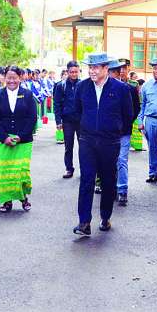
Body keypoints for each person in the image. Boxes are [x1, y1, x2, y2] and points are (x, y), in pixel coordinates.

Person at [73, 53, 133, 236]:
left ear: (106, 69)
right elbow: (77, 112)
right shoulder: (82, 87)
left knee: (108, 180)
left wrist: (116, 131)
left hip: (110, 142)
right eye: (90, 67)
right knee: (87, 179)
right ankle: (84, 222)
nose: (92, 71)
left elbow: (128, 115)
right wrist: (85, 129)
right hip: (87, 141)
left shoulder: (121, 89)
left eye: (96, 67)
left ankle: (105, 217)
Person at [0, 66, 38, 212]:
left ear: (20, 78)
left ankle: (24, 198)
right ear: (5, 78)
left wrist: (21, 136)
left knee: (21, 171)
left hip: (23, 141)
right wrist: (4, 137)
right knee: (5, 172)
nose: (11, 81)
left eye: (14, 77)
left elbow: (32, 118)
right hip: (3, 141)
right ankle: (7, 201)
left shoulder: (28, 95)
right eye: (9, 78)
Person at [109, 59, 141, 206]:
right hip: (108, 133)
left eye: (123, 69)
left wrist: (125, 123)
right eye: (117, 70)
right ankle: (110, 188)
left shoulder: (131, 89)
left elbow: (135, 109)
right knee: (109, 161)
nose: (120, 72)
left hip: (123, 132)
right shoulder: (104, 88)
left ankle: (122, 190)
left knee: (121, 160)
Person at [53, 60, 81, 178]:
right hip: (67, 121)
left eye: (76, 72)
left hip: (81, 121)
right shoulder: (61, 86)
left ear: (79, 71)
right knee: (68, 146)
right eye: (71, 72)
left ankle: (84, 169)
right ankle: (69, 169)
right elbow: (57, 104)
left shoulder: (83, 85)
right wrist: (58, 121)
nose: (74, 74)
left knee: (84, 147)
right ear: (67, 72)